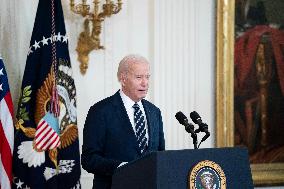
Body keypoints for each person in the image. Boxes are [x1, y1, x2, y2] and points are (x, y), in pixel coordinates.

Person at [81, 54, 165, 189]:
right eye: (139, 77)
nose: (145, 83)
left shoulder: (155, 112)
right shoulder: (100, 111)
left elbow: (160, 155)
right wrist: (121, 167)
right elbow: (88, 159)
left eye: (147, 77)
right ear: (123, 79)